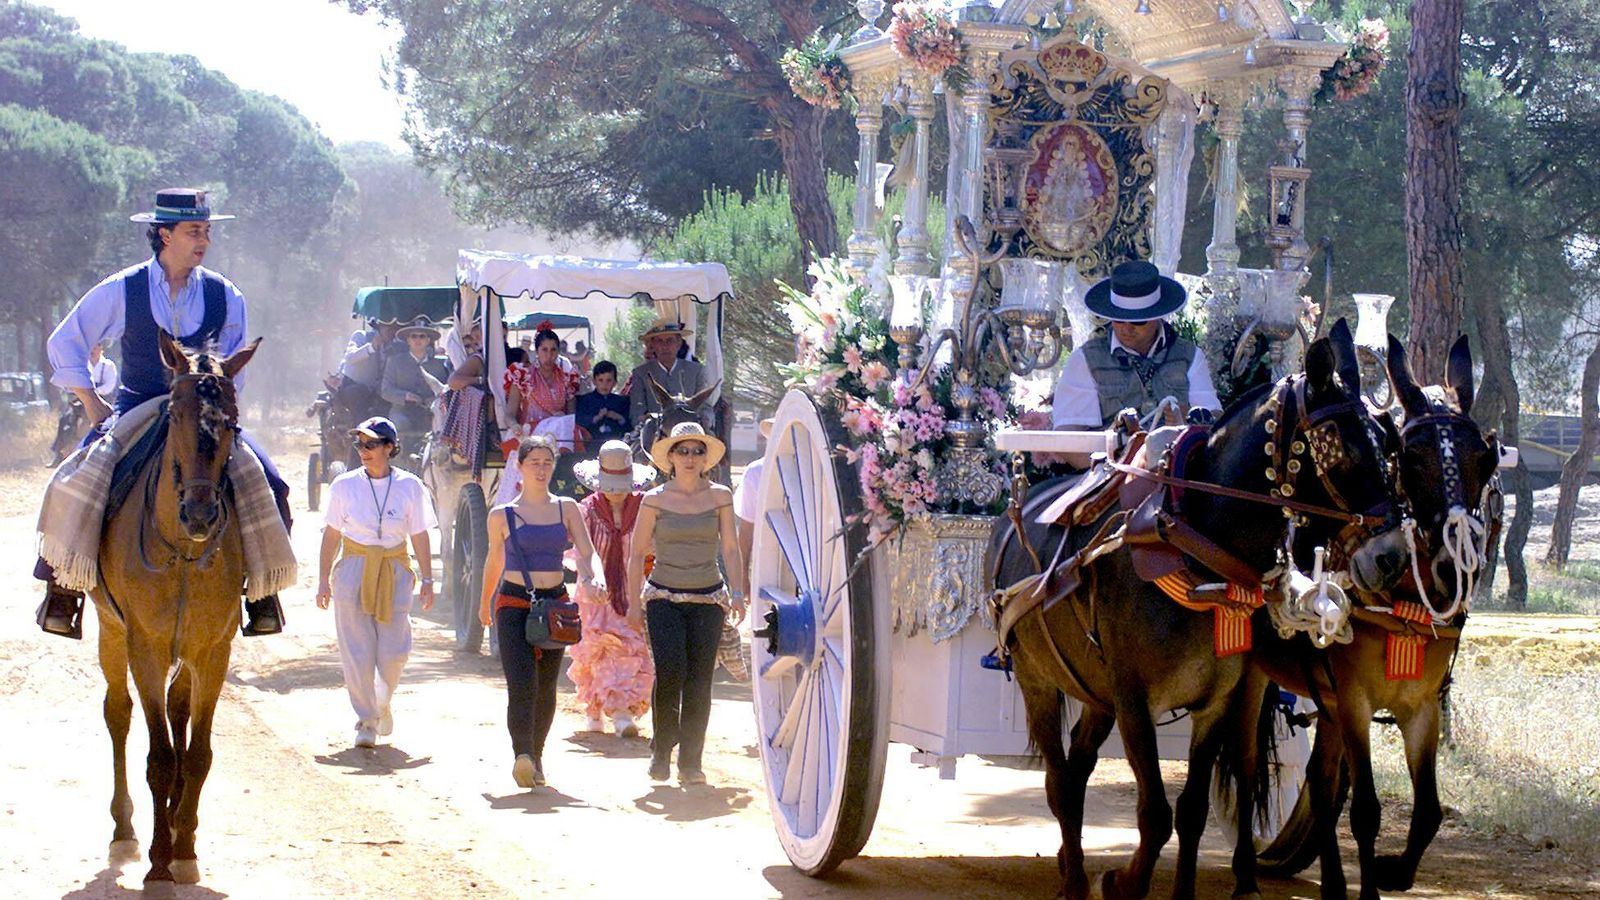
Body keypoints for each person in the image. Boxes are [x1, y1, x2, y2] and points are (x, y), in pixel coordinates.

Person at [37, 187, 287, 638]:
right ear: (164, 234)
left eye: (207, 232)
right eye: (194, 231)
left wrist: (220, 413)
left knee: (270, 482)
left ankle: (261, 594)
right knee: (74, 480)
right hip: (137, 407)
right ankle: (63, 589)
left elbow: (234, 364)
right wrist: (94, 404)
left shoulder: (225, 294)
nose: (204, 241)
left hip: (205, 415)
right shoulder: (121, 289)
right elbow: (65, 341)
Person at [628, 422, 747, 785]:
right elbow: (636, 554)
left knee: (699, 681)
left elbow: (730, 547)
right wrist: (634, 604)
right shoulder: (655, 499)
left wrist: (738, 592)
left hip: (708, 596)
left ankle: (691, 761)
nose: (690, 458)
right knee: (670, 673)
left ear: (705, 458)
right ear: (671, 458)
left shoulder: (721, 495)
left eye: (697, 451)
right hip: (664, 596)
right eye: (683, 451)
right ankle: (662, 749)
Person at [478, 436, 601, 788]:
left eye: (547, 462)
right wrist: (484, 603)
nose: (542, 469)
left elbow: (586, 551)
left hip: (555, 605)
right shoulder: (501, 514)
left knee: (547, 685)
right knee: (522, 683)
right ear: (520, 466)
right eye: (535, 462)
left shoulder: (567, 508)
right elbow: (494, 560)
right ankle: (523, 755)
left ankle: (537, 755)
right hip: (514, 603)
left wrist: (593, 577)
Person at [314, 417, 437, 748]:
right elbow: (331, 535)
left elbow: (420, 534)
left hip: (395, 568)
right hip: (353, 567)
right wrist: (323, 580)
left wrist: (426, 578)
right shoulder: (344, 485)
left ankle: (382, 700)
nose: (364, 451)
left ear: (389, 447)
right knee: (356, 649)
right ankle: (366, 720)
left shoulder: (411, 486)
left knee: (395, 650)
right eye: (360, 445)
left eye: (371, 444)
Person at [1051, 260, 1221, 431]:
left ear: (1157, 316)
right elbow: (1068, 436)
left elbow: (1215, 420)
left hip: (1177, 455)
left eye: (1137, 321)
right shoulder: (1085, 360)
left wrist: (1192, 417)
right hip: (1109, 456)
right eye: (1118, 318)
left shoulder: (1189, 356)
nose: (1127, 328)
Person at [571, 441, 657, 736]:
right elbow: (581, 551)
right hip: (596, 591)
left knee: (630, 647)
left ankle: (622, 711)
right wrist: (587, 579)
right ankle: (595, 708)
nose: (616, 490)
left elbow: (654, 547)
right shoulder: (587, 509)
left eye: (621, 483)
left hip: (635, 588)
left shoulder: (645, 507)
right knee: (598, 650)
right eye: (610, 483)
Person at [627, 319, 709, 426]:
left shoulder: (696, 371)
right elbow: (637, 410)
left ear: (678, 343)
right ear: (653, 345)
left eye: (670, 340)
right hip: (656, 432)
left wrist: (706, 418)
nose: (665, 346)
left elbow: (705, 406)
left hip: (690, 430)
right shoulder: (641, 373)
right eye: (659, 341)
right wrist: (645, 420)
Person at [381, 316, 447, 439]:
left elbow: (446, 391)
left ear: (428, 340)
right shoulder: (395, 362)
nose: (418, 340)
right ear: (408, 340)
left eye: (422, 336)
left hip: (430, 412)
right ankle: (398, 457)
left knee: (443, 426)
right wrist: (405, 396)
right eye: (414, 336)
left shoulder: (440, 365)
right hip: (402, 411)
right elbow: (385, 390)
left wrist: (433, 399)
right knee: (399, 424)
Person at [574, 360, 630, 442]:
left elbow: (629, 425)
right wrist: (596, 418)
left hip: (616, 444)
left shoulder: (622, 402)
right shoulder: (585, 400)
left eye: (609, 380)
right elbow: (579, 421)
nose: (604, 384)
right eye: (600, 380)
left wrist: (619, 417)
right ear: (594, 381)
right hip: (591, 444)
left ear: (615, 382)